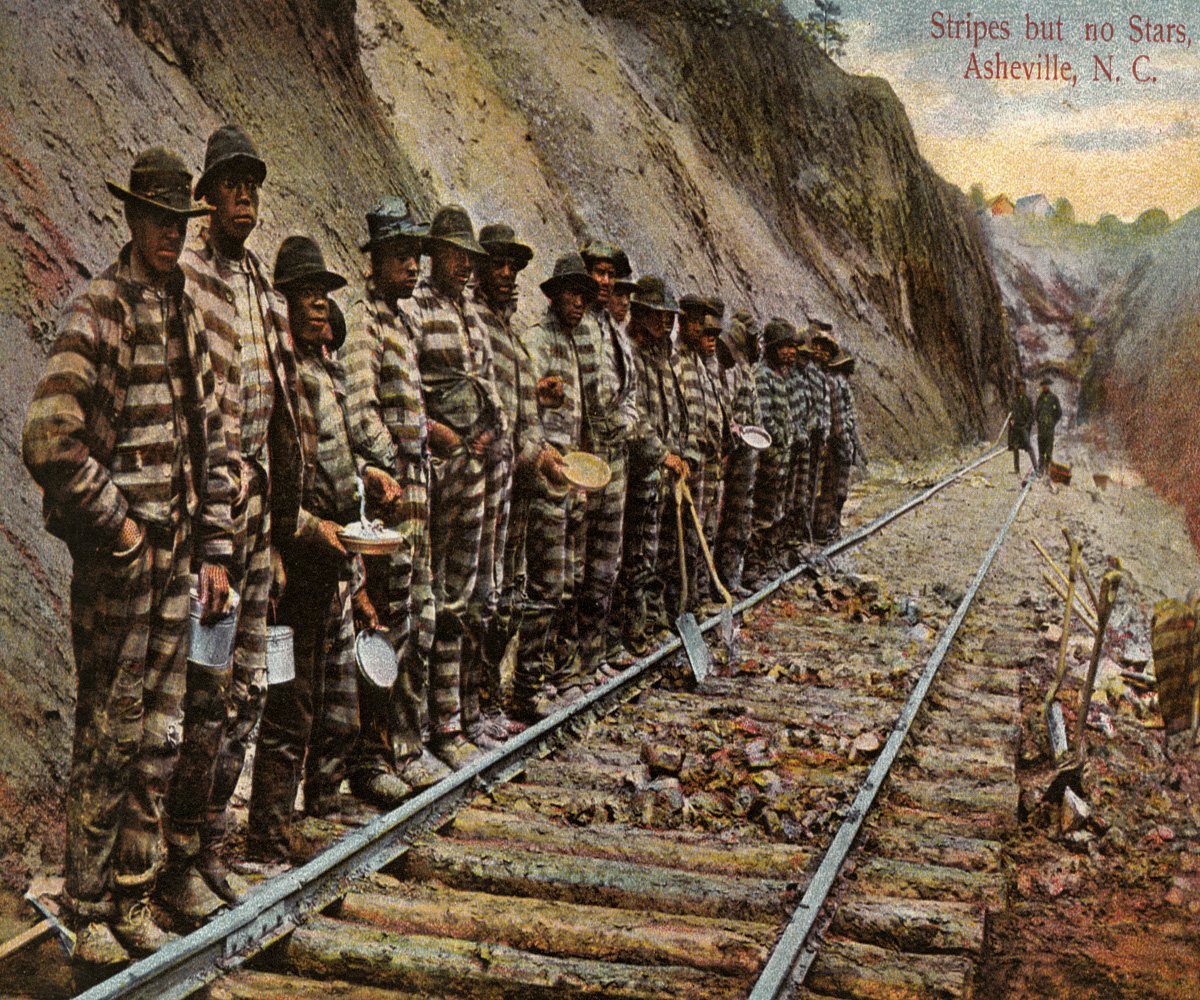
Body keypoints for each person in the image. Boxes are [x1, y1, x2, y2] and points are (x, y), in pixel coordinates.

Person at [22, 148, 233, 964]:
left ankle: (133, 902)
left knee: (161, 738)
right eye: (156, 219)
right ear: (132, 219)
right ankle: (86, 905)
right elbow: (48, 437)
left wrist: (211, 548)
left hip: (177, 570)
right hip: (120, 570)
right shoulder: (98, 310)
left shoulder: (186, 313)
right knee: (109, 737)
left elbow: (214, 447)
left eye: (179, 222)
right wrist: (120, 527)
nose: (168, 235)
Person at [163, 123, 305, 920]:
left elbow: (279, 412)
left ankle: (210, 845)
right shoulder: (190, 278)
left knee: (249, 682)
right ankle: (176, 860)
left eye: (252, 183)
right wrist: (214, 524)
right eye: (230, 185)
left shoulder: (258, 281)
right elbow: (195, 410)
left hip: (255, 523)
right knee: (204, 687)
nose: (243, 195)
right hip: (207, 523)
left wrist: (278, 522)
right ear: (207, 198)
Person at [244, 237, 377, 868]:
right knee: (287, 695)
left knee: (319, 685)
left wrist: (363, 488)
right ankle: (268, 829)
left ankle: (298, 808)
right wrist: (305, 530)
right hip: (289, 558)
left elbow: (332, 460)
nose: (320, 306)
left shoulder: (324, 370)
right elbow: (273, 476)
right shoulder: (279, 376)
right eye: (307, 295)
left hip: (329, 554)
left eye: (324, 296)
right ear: (285, 304)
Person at [341, 197, 449, 794]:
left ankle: (408, 745)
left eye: (416, 255)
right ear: (376, 262)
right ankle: (371, 758)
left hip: (417, 495)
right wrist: (393, 467)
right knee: (385, 628)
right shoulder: (364, 323)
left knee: (420, 619)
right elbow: (361, 413)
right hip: (390, 498)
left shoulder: (402, 322)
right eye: (401, 256)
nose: (412, 266)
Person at [401, 205, 505, 770]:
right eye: (454, 254)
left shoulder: (470, 313)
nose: (463, 265)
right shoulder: (415, 309)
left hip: (473, 469)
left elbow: (486, 380)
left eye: (469, 257)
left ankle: (449, 720)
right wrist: (438, 432)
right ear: (433, 255)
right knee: (429, 600)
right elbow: (407, 386)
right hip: (433, 473)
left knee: (463, 596)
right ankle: (422, 729)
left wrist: (487, 431)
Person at [470, 222, 558, 741]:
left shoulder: (508, 328)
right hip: (488, 485)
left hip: (517, 486)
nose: (506, 275)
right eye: (497, 265)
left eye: (512, 268)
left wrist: (539, 403)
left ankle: (489, 701)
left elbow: (519, 408)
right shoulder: (479, 325)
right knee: (486, 597)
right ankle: (477, 705)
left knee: (507, 595)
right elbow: (491, 416)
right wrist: (533, 453)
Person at [513, 254, 595, 719]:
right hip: (547, 481)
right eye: (571, 293)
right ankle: (525, 689)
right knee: (544, 586)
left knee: (567, 583)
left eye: (584, 295)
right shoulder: (537, 341)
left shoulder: (576, 344)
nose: (579, 302)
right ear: (553, 295)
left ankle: (550, 675)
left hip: (574, 481)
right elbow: (529, 409)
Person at [574, 242, 638, 678]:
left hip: (614, 459)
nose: (603, 281)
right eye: (596, 273)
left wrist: (627, 423)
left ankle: (591, 654)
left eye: (608, 274)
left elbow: (628, 393)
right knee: (573, 566)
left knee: (604, 564)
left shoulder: (612, 329)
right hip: (582, 462)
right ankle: (568, 663)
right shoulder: (575, 326)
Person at [622, 276, 688, 649]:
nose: (667, 323)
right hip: (639, 468)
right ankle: (632, 629)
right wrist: (660, 453)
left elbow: (670, 413)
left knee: (655, 547)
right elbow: (637, 415)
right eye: (660, 315)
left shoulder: (659, 358)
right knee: (636, 551)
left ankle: (650, 618)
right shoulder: (630, 353)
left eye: (670, 317)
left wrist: (676, 452)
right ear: (641, 313)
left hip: (661, 468)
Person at [676, 294, 726, 612]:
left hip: (708, 462)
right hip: (689, 462)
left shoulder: (701, 363)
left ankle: (701, 593)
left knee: (706, 530)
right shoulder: (677, 360)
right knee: (688, 535)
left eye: (702, 322)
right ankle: (686, 600)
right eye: (694, 322)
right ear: (683, 323)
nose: (699, 329)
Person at [714, 309, 761, 595]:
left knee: (741, 514)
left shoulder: (744, 367)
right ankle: (721, 579)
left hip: (747, 451)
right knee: (726, 514)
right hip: (732, 450)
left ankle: (731, 577)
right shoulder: (729, 366)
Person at [746, 319, 797, 584]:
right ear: (772, 349)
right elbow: (763, 422)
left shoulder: (780, 377)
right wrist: (778, 441)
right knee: (762, 517)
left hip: (780, 461)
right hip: (768, 462)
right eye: (784, 347)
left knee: (773, 515)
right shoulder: (763, 376)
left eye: (792, 347)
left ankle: (766, 562)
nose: (790, 352)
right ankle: (753, 568)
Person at [813, 353, 866, 541]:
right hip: (838, 447)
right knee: (834, 491)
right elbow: (839, 420)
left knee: (834, 491)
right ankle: (827, 530)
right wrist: (846, 447)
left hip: (841, 444)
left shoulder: (837, 382)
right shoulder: (837, 383)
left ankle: (828, 529)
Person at [1035, 377, 1062, 474]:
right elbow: (1036, 412)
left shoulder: (1053, 398)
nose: (1045, 387)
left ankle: (1047, 468)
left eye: (1046, 385)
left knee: (1049, 447)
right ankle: (1041, 467)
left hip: (1049, 428)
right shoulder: (1040, 398)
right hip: (1041, 427)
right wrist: (1039, 421)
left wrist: (1053, 422)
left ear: (1049, 386)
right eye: (1043, 385)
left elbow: (1059, 412)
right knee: (1041, 447)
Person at [1008, 383, 1036, 474]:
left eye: (1021, 388)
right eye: (1018, 388)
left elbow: (1031, 414)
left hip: (1024, 427)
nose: (1019, 390)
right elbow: (1012, 412)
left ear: (1023, 388)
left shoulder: (1027, 400)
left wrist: (1027, 426)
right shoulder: (1015, 400)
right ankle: (1017, 469)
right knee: (1015, 447)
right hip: (1016, 427)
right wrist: (1012, 420)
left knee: (1028, 447)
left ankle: (1036, 468)